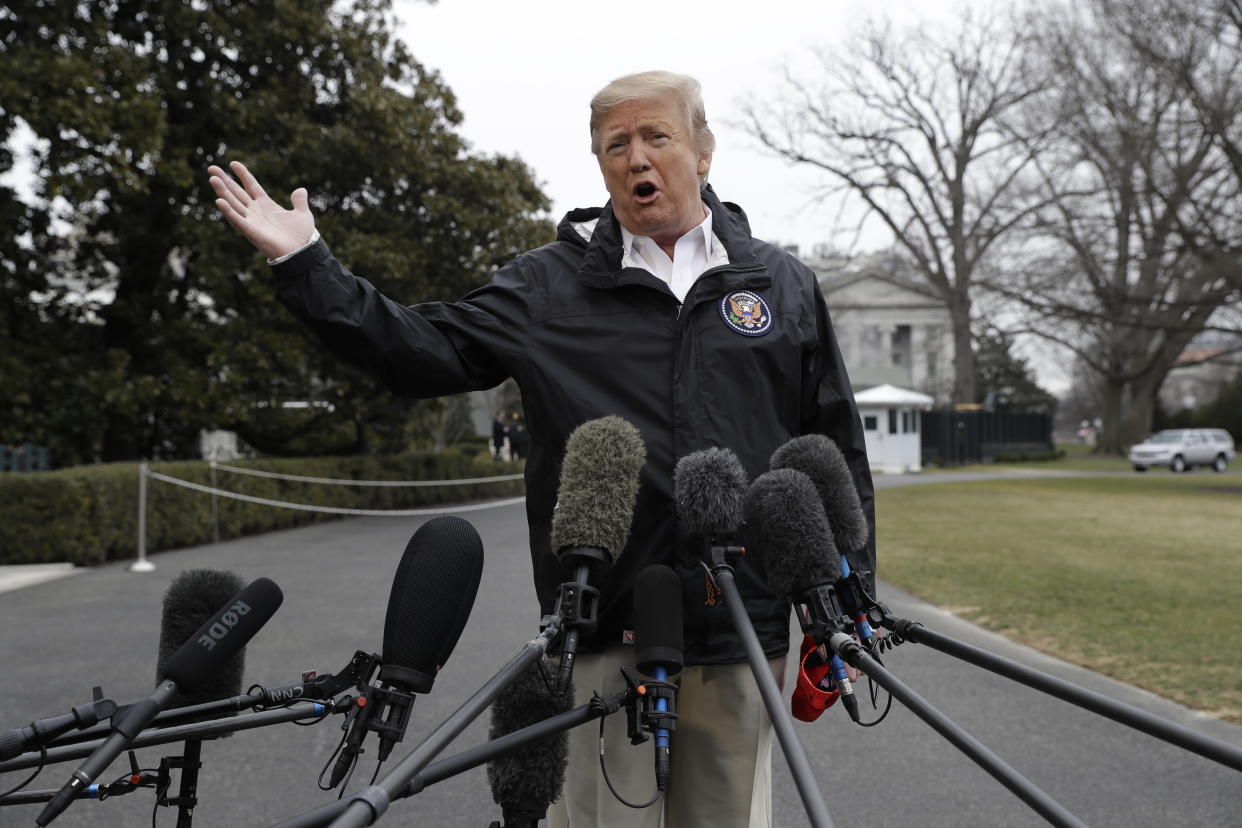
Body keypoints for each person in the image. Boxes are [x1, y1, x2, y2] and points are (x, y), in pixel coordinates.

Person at [208, 70, 874, 827]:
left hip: (743, 629)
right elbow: (420, 349)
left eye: (657, 136)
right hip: (604, 623)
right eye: (615, 145)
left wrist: (851, 602)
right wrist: (308, 267)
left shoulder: (780, 285)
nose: (636, 159)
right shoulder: (547, 286)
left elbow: (835, 450)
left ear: (703, 153)